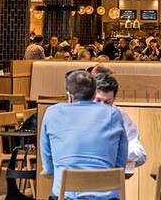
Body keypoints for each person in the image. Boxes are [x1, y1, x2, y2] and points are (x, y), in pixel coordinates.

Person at [40, 70, 127, 200]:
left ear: (69, 95)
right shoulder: (113, 114)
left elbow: (48, 165)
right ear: (94, 95)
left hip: (66, 195)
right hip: (106, 196)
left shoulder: (51, 113)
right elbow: (120, 162)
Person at [93, 72, 147, 167]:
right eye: (98, 100)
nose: (101, 106)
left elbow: (141, 155)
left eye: (107, 102)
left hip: (110, 173)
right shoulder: (82, 114)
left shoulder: (120, 116)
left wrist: (114, 150)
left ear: (114, 99)